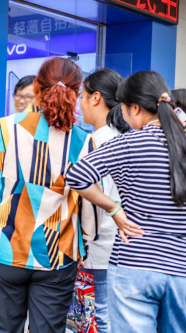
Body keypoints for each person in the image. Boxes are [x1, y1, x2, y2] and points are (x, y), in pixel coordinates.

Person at [0, 57, 99, 333]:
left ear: (37, 88)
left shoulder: (3, 128)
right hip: (57, 254)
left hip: (4, 248)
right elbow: (89, 202)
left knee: (1, 328)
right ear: (76, 94)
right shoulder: (83, 141)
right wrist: (84, 241)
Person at [66, 71, 186, 333]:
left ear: (134, 108)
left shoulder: (130, 142)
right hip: (180, 268)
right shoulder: (182, 143)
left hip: (134, 263)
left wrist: (113, 209)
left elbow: (76, 175)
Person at [78, 69, 129, 333]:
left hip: (99, 243)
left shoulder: (95, 141)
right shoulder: (127, 137)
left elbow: (88, 196)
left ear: (96, 98)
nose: (80, 103)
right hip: (123, 243)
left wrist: (81, 244)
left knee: (97, 316)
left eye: (83, 96)